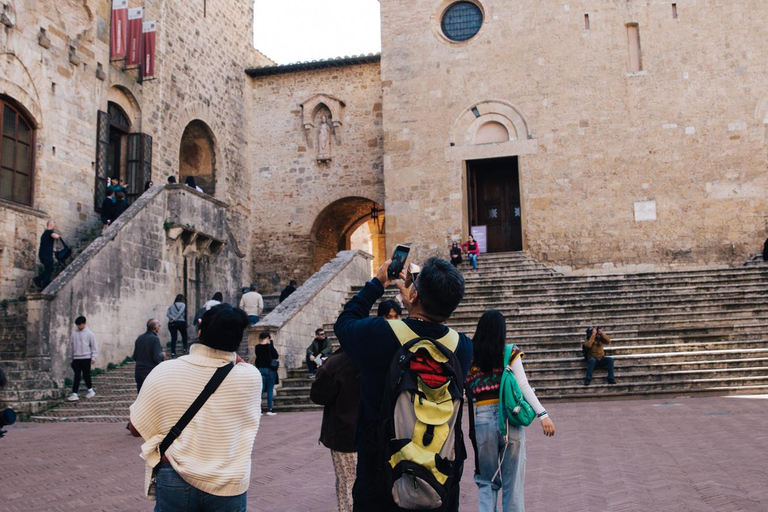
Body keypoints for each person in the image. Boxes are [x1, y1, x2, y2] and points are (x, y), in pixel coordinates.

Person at [334, 257, 473, 511]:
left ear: (415, 295)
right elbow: (428, 330)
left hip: (380, 478)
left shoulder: (380, 333)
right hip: (438, 480)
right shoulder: (463, 347)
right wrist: (417, 302)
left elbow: (344, 323)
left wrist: (377, 282)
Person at [128, 304, 261, 509]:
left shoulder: (165, 370)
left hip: (175, 475)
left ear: (200, 331)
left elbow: (135, 428)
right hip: (229, 481)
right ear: (239, 339)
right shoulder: (251, 377)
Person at [465, 310, 555, 511]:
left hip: (482, 418)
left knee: (486, 480)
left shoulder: (470, 353)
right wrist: (543, 414)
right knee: (512, 482)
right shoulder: (509, 352)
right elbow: (523, 385)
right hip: (509, 418)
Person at [310, 346, 361, 512]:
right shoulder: (378, 354)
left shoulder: (338, 361)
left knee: (348, 481)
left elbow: (318, 395)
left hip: (345, 432)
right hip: (373, 432)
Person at [67, 316, 98, 401]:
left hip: (86, 357)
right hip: (76, 358)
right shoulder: (74, 334)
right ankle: (74, 393)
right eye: (77, 325)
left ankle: (90, 390)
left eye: (80, 325)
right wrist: (71, 358)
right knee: (77, 375)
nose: (79, 327)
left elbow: (93, 346)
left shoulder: (90, 334)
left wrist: (93, 357)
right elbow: (71, 346)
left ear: (84, 324)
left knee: (86, 374)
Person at [132, 319, 164, 392]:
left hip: (139, 371)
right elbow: (156, 358)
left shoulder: (139, 338)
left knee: (140, 395)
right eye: (159, 325)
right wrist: (162, 355)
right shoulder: (155, 339)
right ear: (155, 328)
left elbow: (135, 356)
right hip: (150, 371)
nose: (159, 327)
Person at [254, 331, 278, 416]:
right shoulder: (269, 346)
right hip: (270, 370)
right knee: (270, 390)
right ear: (268, 338)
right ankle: (270, 409)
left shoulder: (257, 347)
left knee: (260, 390)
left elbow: (258, 358)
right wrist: (271, 345)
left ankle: (258, 410)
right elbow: (276, 356)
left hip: (261, 369)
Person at [35, 220, 60, 289]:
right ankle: (44, 285)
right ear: (51, 225)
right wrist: (58, 236)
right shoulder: (49, 232)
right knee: (49, 269)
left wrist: (53, 249)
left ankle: (39, 279)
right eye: (54, 225)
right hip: (46, 255)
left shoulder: (44, 234)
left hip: (43, 254)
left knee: (49, 269)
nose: (55, 227)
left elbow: (46, 244)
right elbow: (55, 236)